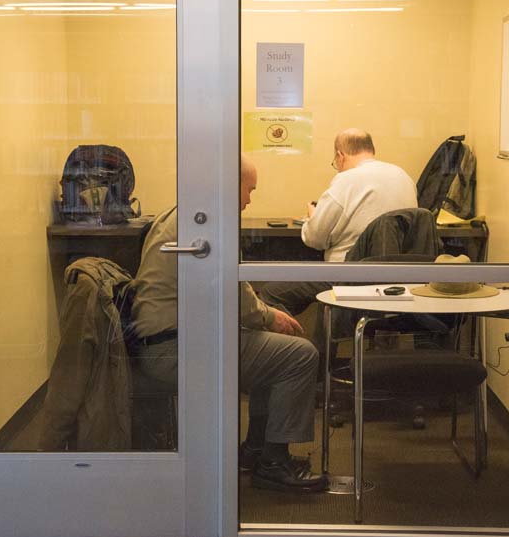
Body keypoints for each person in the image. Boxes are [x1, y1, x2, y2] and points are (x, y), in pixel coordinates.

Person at [129, 154, 327, 492]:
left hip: (160, 340)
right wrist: (269, 316)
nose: (249, 202)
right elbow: (234, 292)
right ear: (228, 184)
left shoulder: (179, 214)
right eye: (248, 190)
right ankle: (273, 463)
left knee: (272, 350)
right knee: (299, 354)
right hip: (175, 349)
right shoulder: (206, 223)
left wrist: (261, 316)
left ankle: (254, 451)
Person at [260, 128, 418, 318]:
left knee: (271, 293)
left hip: (350, 274)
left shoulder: (346, 179)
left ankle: (298, 347)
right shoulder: (403, 177)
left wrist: (313, 217)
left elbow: (315, 239)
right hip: (398, 279)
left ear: (340, 155)